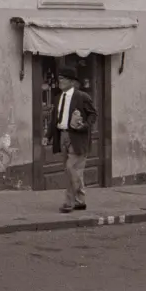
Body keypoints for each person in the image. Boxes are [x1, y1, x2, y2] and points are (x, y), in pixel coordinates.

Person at [51, 67, 98, 213]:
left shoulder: (82, 96)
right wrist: (48, 137)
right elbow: (54, 119)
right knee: (73, 170)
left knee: (72, 169)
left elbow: (93, 115)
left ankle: (69, 202)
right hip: (63, 135)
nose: (60, 81)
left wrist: (84, 125)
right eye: (59, 79)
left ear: (72, 82)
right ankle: (80, 201)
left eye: (63, 79)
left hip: (78, 137)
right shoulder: (58, 97)